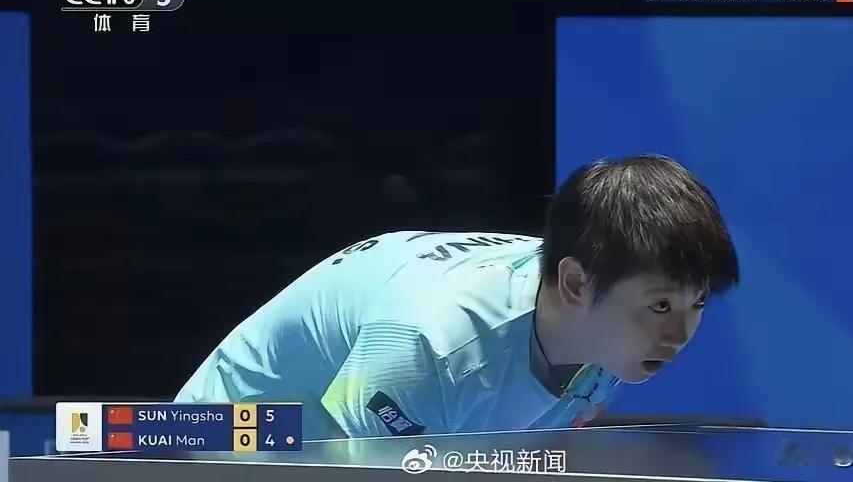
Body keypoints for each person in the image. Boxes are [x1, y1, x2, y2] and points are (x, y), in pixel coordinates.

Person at [174, 155, 739, 438]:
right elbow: (351, 471)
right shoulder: (429, 343)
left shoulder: (609, 320)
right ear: (574, 284)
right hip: (232, 437)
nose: (679, 335)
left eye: (698, 304)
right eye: (661, 307)